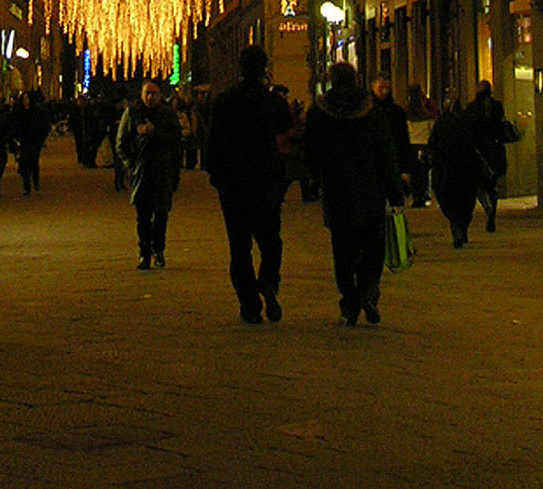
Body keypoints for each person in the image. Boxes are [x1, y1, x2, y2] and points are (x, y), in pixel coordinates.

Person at [301, 61, 405, 326]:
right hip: (371, 187)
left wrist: (314, 180)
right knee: (373, 244)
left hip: (337, 189)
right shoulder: (371, 110)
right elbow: (386, 152)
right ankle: (369, 290)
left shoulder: (320, 112)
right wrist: (395, 191)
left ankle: (349, 301)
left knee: (343, 248)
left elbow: (310, 152)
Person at [201, 45, 292, 323]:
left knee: (239, 248)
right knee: (270, 241)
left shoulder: (224, 102)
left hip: (234, 186)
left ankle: (249, 305)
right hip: (264, 182)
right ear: (264, 68)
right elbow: (285, 132)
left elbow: (212, 143)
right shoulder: (273, 102)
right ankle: (267, 280)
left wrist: (218, 178)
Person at [116, 82, 185, 268]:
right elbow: (121, 143)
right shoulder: (132, 114)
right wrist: (131, 165)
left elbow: (176, 141)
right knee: (143, 216)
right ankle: (144, 253)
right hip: (141, 172)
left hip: (163, 172)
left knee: (161, 214)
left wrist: (155, 133)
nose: (150, 97)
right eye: (147, 93)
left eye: (154, 94)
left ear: (160, 95)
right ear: (142, 94)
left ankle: (159, 249)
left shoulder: (167, 114)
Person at [465, 79, 523, 233]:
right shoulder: (497, 106)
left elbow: (467, 130)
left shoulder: (471, 108)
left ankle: (488, 208)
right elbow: (500, 125)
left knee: (479, 184)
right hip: (495, 149)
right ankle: (492, 212)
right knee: (492, 184)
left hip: (478, 152)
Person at [427, 97, 484, 250]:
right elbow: (476, 143)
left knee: (448, 199)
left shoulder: (441, 124)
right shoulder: (467, 123)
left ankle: (456, 224)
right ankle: (462, 226)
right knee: (466, 200)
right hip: (466, 168)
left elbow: (432, 144)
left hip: (446, 168)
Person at [374, 77, 417, 205]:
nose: (384, 92)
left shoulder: (396, 112)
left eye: (386, 88)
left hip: (393, 162)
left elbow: (403, 140)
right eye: (380, 88)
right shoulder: (368, 111)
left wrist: (405, 169)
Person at [12, 89, 47, 195]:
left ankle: (35, 180)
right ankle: (26, 186)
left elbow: (43, 126)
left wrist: (41, 138)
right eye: (24, 98)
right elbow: (15, 124)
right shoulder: (19, 111)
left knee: (34, 162)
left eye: (28, 98)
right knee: (24, 163)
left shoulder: (37, 111)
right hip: (24, 140)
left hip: (35, 140)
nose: (26, 101)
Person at [403, 82, 432, 206]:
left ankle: (416, 196)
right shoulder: (426, 113)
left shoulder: (406, 113)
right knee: (423, 172)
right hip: (424, 144)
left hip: (411, 145)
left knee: (414, 172)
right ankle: (422, 194)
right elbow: (431, 129)